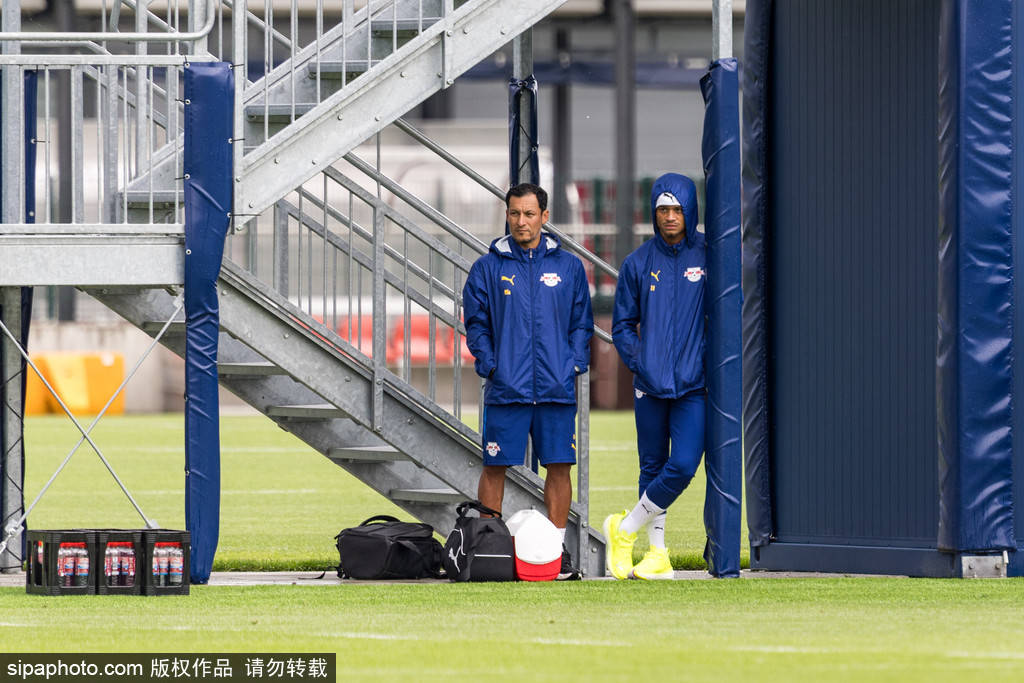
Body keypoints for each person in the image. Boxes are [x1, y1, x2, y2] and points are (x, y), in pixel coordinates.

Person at [462, 182, 594, 580]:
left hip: (555, 387)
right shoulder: (487, 268)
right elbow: (476, 324)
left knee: (559, 466)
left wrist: (573, 363)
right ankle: (488, 548)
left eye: (530, 214)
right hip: (507, 388)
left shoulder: (569, 267)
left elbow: (581, 323)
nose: (522, 221)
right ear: (507, 215)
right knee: (495, 467)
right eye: (515, 213)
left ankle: (555, 552)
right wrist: (491, 364)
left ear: (544, 217)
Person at [603, 173, 706, 580]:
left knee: (682, 465)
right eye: (663, 210)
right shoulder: (638, 262)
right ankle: (657, 555)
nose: (670, 216)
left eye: (677, 209)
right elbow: (622, 326)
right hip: (649, 385)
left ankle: (624, 529)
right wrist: (641, 362)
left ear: (690, 210)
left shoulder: (710, 256)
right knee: (651, 467)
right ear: (653, 213)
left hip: (694, 385)